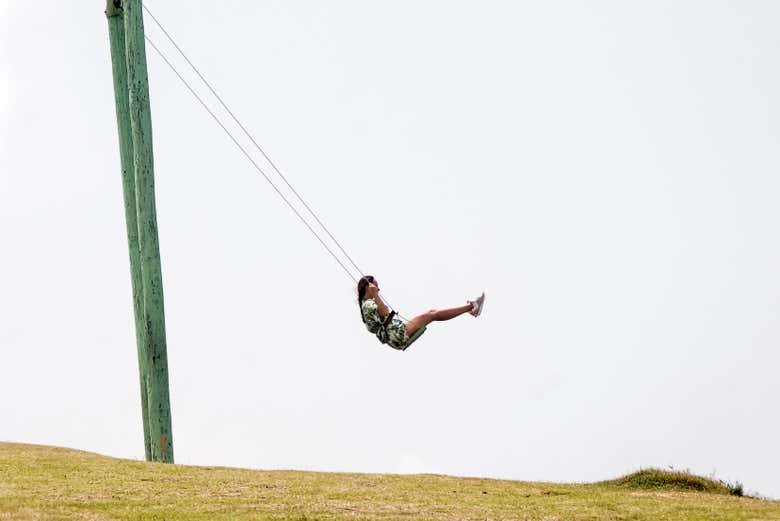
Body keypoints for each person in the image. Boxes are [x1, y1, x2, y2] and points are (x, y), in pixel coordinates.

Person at [357, 275, 485, 350]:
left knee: (432, 312)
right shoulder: (368, 303)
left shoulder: (366, 304)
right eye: (375, 286)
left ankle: (471, 308)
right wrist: (375, 294)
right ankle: (471, 307)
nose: (378, 289)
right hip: (395, 334)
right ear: (369, 287)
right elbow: (384, 311)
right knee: (432, 315)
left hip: (395, 334)